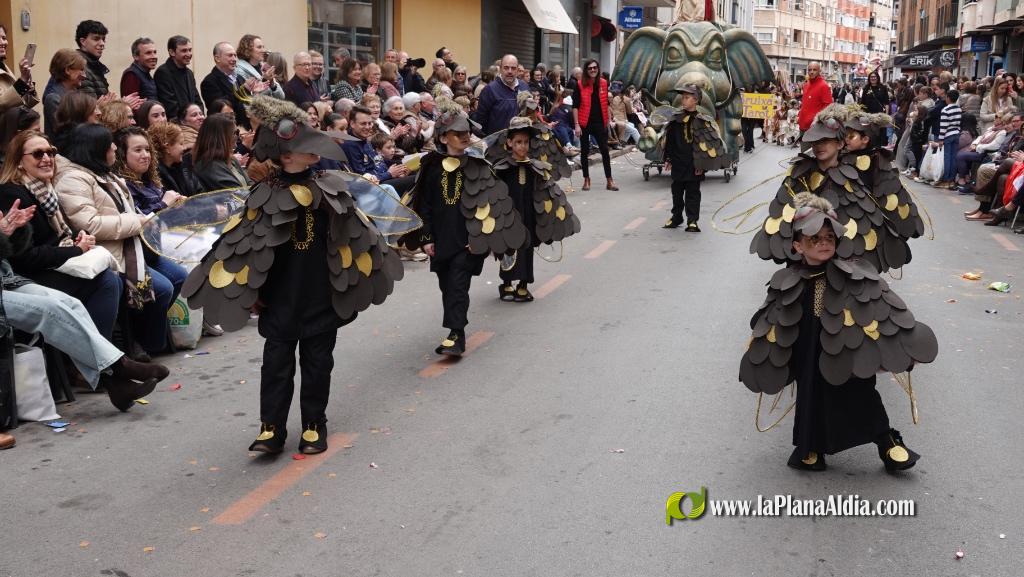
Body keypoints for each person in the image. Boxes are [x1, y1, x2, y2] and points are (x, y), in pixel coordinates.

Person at [181, 95, 404, 454]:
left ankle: (314, 424)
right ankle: (271, 427)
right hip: (279, 294)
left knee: (318, 362)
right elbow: (244, 245)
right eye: (305, 145)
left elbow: (358, 235)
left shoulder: (331, 187)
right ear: (285, 155)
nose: (316, 149)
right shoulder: (263, 194)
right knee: (276, 363)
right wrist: (250, 291)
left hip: (322, 290)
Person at [739, 192, 938, 472]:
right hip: (808, 351)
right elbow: (771, 321)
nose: (823, 243)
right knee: (812, 398)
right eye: (814, 239)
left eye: (829, 238)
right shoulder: (788, 281)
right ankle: (811, 446)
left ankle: (886, 440)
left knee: (860, 393)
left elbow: (884, 311)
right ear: (797, 245)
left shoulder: (855, 274)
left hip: (847, 349)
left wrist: (901, 347)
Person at [0, 207, 169, 412]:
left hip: (7, 281)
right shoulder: (13, 192)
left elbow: (16, 251)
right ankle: (119, 366)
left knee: (71, 304)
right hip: (16, 282)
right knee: (50, 309)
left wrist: (9, 233)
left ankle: (115, 383)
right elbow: (30, 257)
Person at [402, 98, 526, 356]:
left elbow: (490, 204)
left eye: (466, 132)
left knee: (458, 284)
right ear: (443, 137)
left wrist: (481, 238)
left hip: (468, 240)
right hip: (440, 239)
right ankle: (455, 327)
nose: (464, 137)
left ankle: (456, 334)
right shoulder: (431, 166)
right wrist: (426, 238)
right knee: (447, 285)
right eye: (457, 133)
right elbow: (424, 204)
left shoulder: (479, 166)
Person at [55, 123, 182, 359]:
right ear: (95, 149)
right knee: (162, 288)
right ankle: (135, 343)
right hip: (111, 253)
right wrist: (138, 221)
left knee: (180, 276)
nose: (114, 148)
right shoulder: (73, 180)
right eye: (109, 145)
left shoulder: (104, 174)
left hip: (132, 247)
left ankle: (146, 342)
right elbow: (89, 223)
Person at [751, 105, 918, 274]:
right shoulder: (800, 172)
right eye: (815, 142)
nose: (818, 146)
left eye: (824, 141)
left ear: (839, 144)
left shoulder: (853, 174)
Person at [0, 129, 123, 343]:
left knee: (113, 279)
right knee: (106, 282)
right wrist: (76, 250)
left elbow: (63, 232)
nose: (47, 158)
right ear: (19, 161)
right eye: (38, 154)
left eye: (51, 152)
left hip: (51, 265)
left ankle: (98, 353)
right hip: (28, 275)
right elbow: (26, 258)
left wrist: (80, 237)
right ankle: (97, 356)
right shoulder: (13, 194)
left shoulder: (45, 189)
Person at [490, 116, 580, 302]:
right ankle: (506, 284)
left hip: (529, 215)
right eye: (518, 142)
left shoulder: (535, 168)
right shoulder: (501, 169)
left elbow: (546, 191)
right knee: (508, 248)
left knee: (527, 248)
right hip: (509, 217)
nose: (522, 146)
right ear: (509, 143)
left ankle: (523, 285)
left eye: (525, 142)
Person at [662, 84, 729, 231]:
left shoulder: (703, 121)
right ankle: (676, 217)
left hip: (694, 164)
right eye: (683, 97)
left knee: (693, 193)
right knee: (677, 192)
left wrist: (702, 165)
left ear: (696, 100)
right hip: (678, 162)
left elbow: (708, 144)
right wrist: (668, 159)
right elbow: (670, 141)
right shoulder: (675, 119)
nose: (683, 100)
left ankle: (692, 220)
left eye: (687, 97)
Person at [342, 105, 414, 194]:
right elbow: (361, 178)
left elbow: (378, 160)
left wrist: (401, 168)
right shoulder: (350, 145)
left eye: (370, 123)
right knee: (416, 179)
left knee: (417, 171)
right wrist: (389, 174)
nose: (368, 127)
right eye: (363, 124)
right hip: (374, 186)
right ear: (352, 124)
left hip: (384, 176)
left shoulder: (363, 139)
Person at [573, 59, 617, 191]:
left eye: (595, 67)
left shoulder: (603, 83)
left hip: (600, 122)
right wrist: (577, 125)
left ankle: (609, 180)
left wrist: (608, 120)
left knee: (605, 150)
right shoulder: (580, 84)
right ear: (586, 70)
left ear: (598, 69)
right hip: (584, 122)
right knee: (584, 151)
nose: (593, 70)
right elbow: (575, 106)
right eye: (590, 68)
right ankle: (586, 179)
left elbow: (605, 103)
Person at [473, 54, 529, 137]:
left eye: (513, 68)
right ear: (500, 69)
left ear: (517, 70)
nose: (510, 71)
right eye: (506, 68)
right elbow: (481, 121)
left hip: (521, 140)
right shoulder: (490, 90)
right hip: (498, 142)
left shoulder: (524, 87)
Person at [192, 113, 251, 191]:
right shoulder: (211, 166)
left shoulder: (231, 159)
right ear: (221, 138)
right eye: (235, 133)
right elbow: (237, 192)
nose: (238, 136)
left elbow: (250, 184)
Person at [200, 42, 249, 129]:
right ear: (217, 58)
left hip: (246, 127)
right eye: (230, 55)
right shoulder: (209, 82)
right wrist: (242, 91)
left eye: (235, 55)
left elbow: (246, 101)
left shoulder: (240, 77)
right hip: (225, 129)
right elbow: (220, 108)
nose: (234, 59)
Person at [155, 35, 203, 121]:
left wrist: (200, 116)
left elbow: (197, 101)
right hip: (178, 124)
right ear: (172, 52)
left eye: (190, 50)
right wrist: (188, 121)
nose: (189, 54)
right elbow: (169, 106)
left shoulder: (189, 73)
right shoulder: (163, 73)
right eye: (184, 51)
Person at [43, 49, 86, 139]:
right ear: (68, 70)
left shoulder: (77, 94)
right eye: (81, 70)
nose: (84, 75)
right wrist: (89, 113)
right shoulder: (53, 99)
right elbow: (68, 132)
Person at [148, 122, 199, 197]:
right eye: (181, 144)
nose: (184, 148)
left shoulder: (184, 166)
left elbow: (200, 192)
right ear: (167, 147)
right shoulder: (156, 177)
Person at [0, 24, 40, 117]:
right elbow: (2, 104)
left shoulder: (4, 68)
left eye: (4, 38)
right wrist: (22, 82)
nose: (2, 42)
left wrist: (28, 83)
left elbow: (23, 105)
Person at [235, 34, 285, 99]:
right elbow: (246, 99)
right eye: (259, 47)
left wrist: (272, 84)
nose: (263, 50)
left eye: (263, 47)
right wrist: (264, 80)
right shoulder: (239, 70)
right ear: (248, 50)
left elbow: (281, 97)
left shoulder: (264, 68)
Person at [75, 20, 111, 98]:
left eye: (103, 39)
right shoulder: (78, 67)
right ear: (83, 42)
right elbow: (89, 103)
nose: (102, 43)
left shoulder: (94, 65)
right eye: (96, 39)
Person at [934, 89, 962, 187]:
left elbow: (943, 126)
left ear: (948, 98)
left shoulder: (945, 110)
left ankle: (946, 179)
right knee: (953, 157)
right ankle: (952, 179)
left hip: (948, 135)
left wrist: (941, 139)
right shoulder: (959, 109)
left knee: (947, 157)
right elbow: (959, 123)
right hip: (956, 134)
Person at [797, 62, 832, 138]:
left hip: (815, 128)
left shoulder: (824, 86)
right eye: (810, 70)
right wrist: (799, 116)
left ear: (819, 71)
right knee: (803, 146)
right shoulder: (806, 85)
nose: (812, 72)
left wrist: (817, 121)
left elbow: (828, 107)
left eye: (814, 70)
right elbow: (804, 104)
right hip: (802, 126)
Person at [858, 72, 890, 148]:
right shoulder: (866, 88)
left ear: (877, 77)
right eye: (871, 77)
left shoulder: (883, 88)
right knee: (869, 133)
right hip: (868, 115)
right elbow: (862, 102)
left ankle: (878, 149)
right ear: (869, 78)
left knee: (879, 133)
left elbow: (886, 102)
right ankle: (869, 148)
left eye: (874, 76)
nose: (873, 78)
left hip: (880, 115)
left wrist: (886, 115)